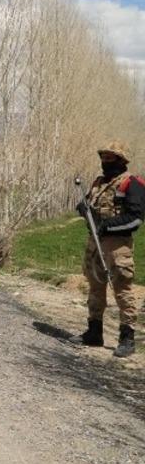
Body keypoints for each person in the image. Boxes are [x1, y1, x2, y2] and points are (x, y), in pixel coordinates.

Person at [71, 142, 142, 358]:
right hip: (95, 243)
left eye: (111, 158)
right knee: (95, 287)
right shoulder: (99, 182)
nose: (105, 162)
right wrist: (84, 209)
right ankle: (94, 332)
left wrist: (108, 226)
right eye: (104, 157)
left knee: (122, 290)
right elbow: (92, 207)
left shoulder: (132, 183)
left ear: (121, 161)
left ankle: (127, 338)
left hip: (117, 246)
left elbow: (135, 218)